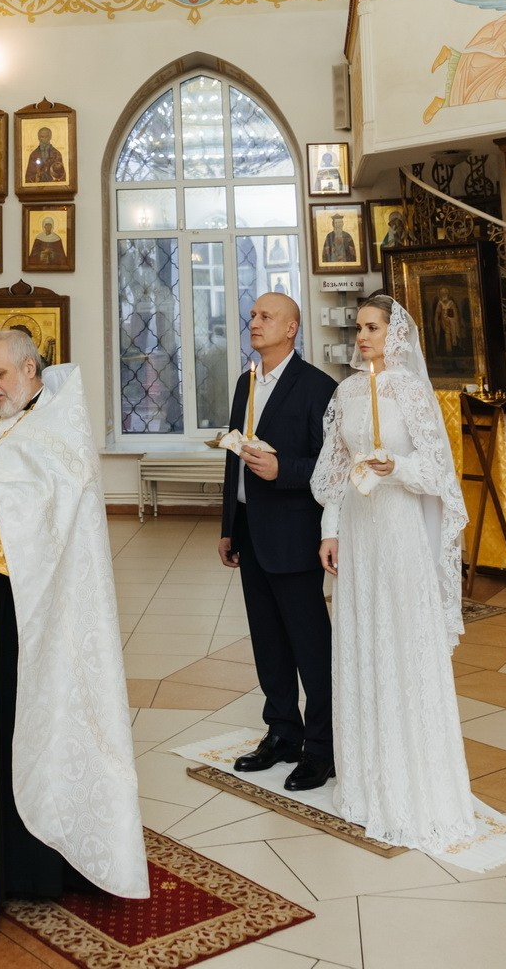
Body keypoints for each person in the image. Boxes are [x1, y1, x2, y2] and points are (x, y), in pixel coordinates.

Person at [0, 332, 148, 900]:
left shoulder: (60, 425)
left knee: (22, 713)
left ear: (31, 369)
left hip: (36, 607)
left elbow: (57, 493)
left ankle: (30, 865)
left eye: (0, 375)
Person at [312, 295, 477, 852]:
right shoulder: (347, 392)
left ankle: (416, 781)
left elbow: (437, 470)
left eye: (373, 327)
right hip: (359, 530)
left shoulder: (411, 391)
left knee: (402, 643)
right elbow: (335, 473)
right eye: (359, 328)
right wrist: (329, 531)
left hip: (400, 530)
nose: (363, 337)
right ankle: (364, 780)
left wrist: (396, 466)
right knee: (362, 643)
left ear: (396, 334)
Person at [219, 292, 335, 791]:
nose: (255, 323)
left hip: (294, 533)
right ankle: (282, 732)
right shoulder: (246, 383)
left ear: (292, 328)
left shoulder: (318, 388)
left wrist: (284, 468)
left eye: (266, 316)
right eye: (252, 317)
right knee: (268, 641)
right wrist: (228, 524)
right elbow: (233, 454)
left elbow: (331, 465)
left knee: (310, 645)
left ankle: (323, 747)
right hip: (250, 528)